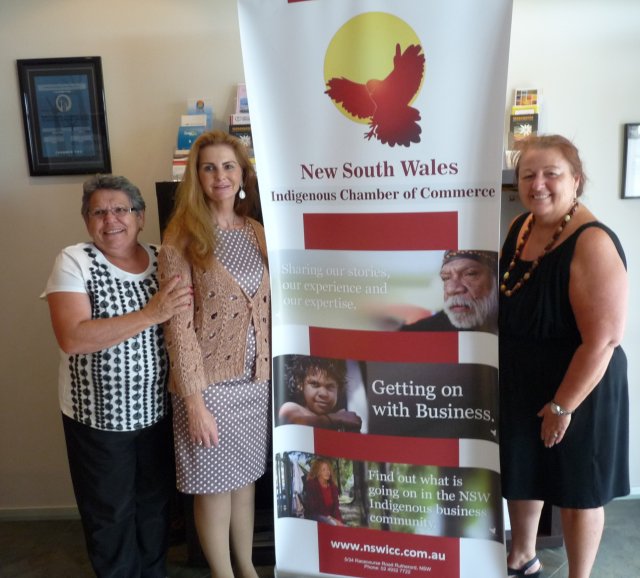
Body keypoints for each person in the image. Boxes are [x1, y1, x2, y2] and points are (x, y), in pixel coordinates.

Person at [44, 174, 192, 577]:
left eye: (120, 209)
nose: (111, 219)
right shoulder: (74, 261)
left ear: (140, 217)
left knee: (155, 507)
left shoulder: (164, 258)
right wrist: (151, 314)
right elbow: (72, 337)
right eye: (98, 211)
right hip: (99, 421)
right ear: (87, 220)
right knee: (110, 515)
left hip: (157, 412)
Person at [499, 135, 629, 578]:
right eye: (528, 175)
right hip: (524, 374)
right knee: (524, 471)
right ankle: (522, 556)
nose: (539, 184)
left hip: (581, 384)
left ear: (576, 179)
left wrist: (562, 406)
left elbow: (605, 340)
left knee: (579, 491)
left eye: (551, 173)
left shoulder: (592, 242)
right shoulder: (522, 227)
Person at [158, 130, 270, 578]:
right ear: (196, 177)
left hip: (255, 380)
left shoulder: (257, 232)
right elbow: (178, 327)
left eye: (228, 166)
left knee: (244, 484)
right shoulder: (182, 236)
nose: (219, 175)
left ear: (242, 173)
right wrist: (194, 402)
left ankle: (247, 568)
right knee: (212, 488)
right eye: (208, 167)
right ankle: (223, 574)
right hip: (209, 388)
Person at [401, 249, 498, 333]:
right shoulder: (416, 332)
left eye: (470, 274)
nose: (451, 289)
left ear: (496, 278)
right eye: (446, 278)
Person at [278, 356, 362, 432]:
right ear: (300, 384)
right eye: (315, 384)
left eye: (330, 386)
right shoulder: (292, 409)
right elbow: (293, 420)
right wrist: (337, 418)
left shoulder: (341, 425)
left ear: (338, 389)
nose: (323, 394)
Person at [304, 458, 345, 526]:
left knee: (343, 527)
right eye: (323, 470)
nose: (327, 472)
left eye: (328, 469)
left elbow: (336, 508)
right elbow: (314, 508)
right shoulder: (311, 485)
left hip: (330, 518)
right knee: (333, 524)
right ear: (318, 472)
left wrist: (339, 521)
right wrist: (331, 519)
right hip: (316, 517)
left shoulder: (333, 487)